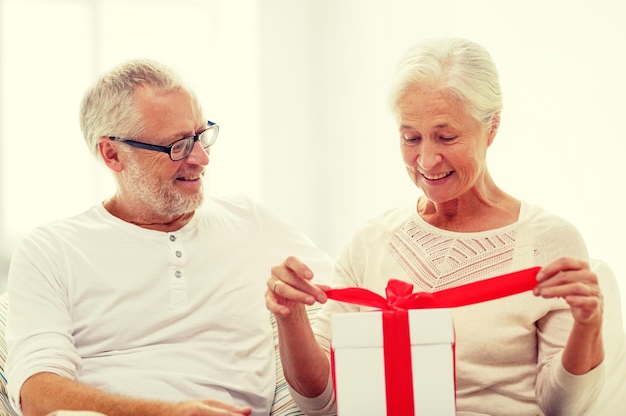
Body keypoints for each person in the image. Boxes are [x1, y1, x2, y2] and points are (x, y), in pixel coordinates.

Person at [266, 38, 607, 415]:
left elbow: (564, 408)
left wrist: (588, 326)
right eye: (410, 137)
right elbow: (322, 405)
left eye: (446, 137)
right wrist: (290, 318)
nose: (426, 160)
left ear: (491, 127)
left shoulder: (548, 241)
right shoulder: (370, 243)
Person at [6, 59, 332, 416]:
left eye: (200, 135)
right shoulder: (51, 249)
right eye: (178, 145)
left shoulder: (249, 220)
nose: (202, 158)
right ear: (112, 154)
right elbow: (35, 394)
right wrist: (165, 413)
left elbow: (356, 300)